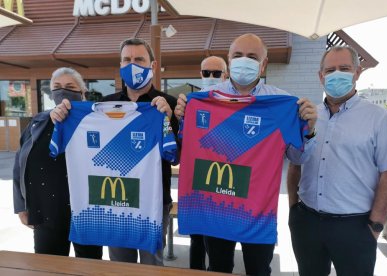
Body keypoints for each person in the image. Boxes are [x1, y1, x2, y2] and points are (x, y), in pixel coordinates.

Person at [174, 33, 318, 275]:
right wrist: (181, 119)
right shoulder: (203, 102)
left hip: (258, 213)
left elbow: (297, 158)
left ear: (263, 64)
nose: (244, 61)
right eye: (238, 55)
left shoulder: (281, 104)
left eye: (252, 56)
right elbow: (186, 149)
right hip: (215, 208)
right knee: (218, 269)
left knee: (259, 270)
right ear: (229, 62)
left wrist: (309, 130)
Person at [51, 38, 178, 266]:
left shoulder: (167, 105)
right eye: (126, 60)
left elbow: (178, 155)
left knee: (152, 265)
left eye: (139, 59)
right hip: (112, 202)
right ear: (120, 65)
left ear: (153, 65)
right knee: (120, 265)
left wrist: (169, 120)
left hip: (155, 201)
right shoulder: (102, 106)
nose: (132, 64)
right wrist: (60, 116)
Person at [287, 45, 387, 276]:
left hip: (355, 227)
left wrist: (375, 226)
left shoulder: (378, 118)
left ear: (357, 72)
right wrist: (294, 209)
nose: (336, 74)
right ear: (320, 76)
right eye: (330, 69)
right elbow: (295, 161)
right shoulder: (309, 115)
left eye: (344, 68)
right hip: (307, 222)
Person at [13, 67, 103, 259]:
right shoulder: (38, 123)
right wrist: (21, 205)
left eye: (70, 86)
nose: (63, 91)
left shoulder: (97, 122)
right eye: (57, 87)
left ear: (82, 91)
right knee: (48, 267)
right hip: (47, 212)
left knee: (90, 267)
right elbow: (20, 164)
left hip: (88, 212)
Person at [187, 55, 228, 271]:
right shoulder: (191, 103)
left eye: (216, 73)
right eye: (206, 73)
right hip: (197, 183)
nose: (211, 77)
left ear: (226, 74)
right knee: (197, 239)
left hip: (224, 183)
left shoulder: (235, 104)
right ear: (200, 73)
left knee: (218, 245)